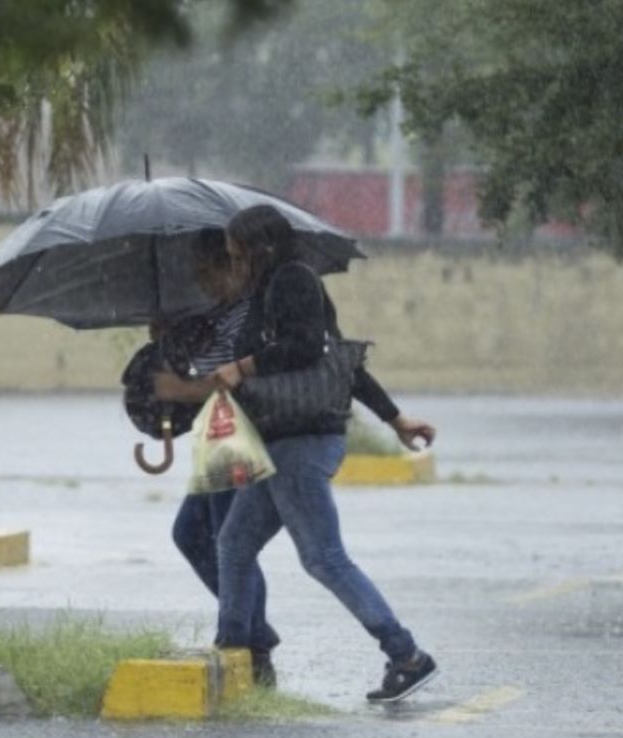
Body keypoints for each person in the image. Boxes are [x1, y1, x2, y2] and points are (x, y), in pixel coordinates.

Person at [153, 225, 435, 694]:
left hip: (303, 443)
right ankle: (235, 650)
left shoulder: (293, 281)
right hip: (279, 442)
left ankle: (406, 654)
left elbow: (309, 349)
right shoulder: (267, 293)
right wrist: (396, 418)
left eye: (238, 255)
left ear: (261, 248)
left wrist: (242, 367)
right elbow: (342, 364)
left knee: (324, 558)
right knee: (233, 543)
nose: (236, 265)